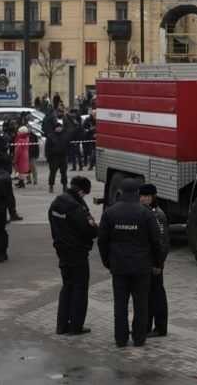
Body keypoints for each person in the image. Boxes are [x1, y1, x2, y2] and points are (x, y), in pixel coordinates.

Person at [97, 178, 162, 347]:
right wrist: (158, 263)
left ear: (121, 192)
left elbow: (102, 240)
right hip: (142, 267)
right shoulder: (145, 213)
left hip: (119, 266)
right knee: (141, 305)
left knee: (120, 305)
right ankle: (139, 338)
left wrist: (107, 261)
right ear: (137, 193)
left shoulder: (110, 213)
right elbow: (156, 241)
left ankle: (121, 338)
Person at [49, 176, 98, 335]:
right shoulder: (75, 207)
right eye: (85, 194)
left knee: (67, 286)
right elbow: (89, 230)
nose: (85, 197)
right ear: (81, 191)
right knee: (80, 288)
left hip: (62, 251)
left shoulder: (56, 203)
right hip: (77, 252)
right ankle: (76, 326)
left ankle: (61, 325)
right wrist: (94, 228)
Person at [139, 183, 169, 338]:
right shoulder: (145, 212)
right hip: (147, 262)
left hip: (155, 264)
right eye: (141, 196)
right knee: (148, 295)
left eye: (145, 196)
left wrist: (159, 264)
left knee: (157, 295)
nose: (142, 199)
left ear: (152, 197)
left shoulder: (157, 215)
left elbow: (162, 242)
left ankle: (160, 327)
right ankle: (146, 326)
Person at [46, 119, 74, 194]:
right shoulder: (50, 136)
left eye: (60, 127)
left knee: (64, 173)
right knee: (52, 172)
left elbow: (69, 145)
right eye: (57, 127)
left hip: (63, 156)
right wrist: (48, 158)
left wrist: (69, 154)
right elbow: (47, 148)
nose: (59, 128)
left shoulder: (65, 135)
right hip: (54, 157)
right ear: (55, 128)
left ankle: (64, 186)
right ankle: (51, 185)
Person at [0, 160, 13, 262]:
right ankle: (2, 253)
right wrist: (12, 211)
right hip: (1, 208)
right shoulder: (5, 176)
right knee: (1, 231)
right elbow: (9, 196)